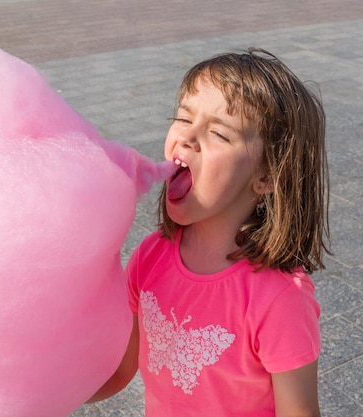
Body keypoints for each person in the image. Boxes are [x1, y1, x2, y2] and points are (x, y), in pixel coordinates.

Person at [89, 49, 330, 416]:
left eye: (218, 132)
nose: (186, 136)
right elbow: (122, 368)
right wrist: (51, 395)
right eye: (183, 118)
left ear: (266, 176)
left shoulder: (278, 299)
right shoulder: (150, 257)